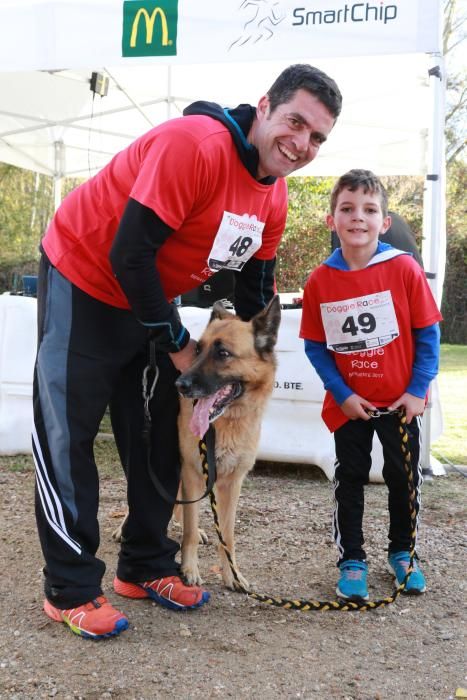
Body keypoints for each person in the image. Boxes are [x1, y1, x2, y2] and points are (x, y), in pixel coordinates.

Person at [33, 64, 342, 639]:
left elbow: (255, 295)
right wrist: (178, 343)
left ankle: (145, 564)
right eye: (296, 122)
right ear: (265, 106)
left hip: (149, 297)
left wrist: (251, 366)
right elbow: (129, 253)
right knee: (66, 432)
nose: (302, 144)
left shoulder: (273, 198)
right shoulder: (192, 146)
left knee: (154, 431)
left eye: (318, 137)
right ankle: (70, 587)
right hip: (86, 276)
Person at [300, 169, 441, 602]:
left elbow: (428, 334)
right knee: (351, 479)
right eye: (346, 208)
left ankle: (403, 552)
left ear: (384, 222)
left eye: (369, 209)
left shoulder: (404, 268)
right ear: (332, 221)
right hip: (351, 406)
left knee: (404, 479)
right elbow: (316, 346)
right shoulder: (320, 280)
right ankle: (352, 561)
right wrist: (342, 394)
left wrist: (417, 390)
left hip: (401, 405)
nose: (357, 217)